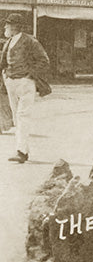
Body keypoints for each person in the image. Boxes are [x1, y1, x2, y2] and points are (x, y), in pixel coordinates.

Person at [2, 13, 51, 163]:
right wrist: (5, 75)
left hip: (25, 82)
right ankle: (24, 149)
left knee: (23, 116)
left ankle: (21, 152)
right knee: (18, 117)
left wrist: (30, 75)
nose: (5, 27)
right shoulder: (9, 41)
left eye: (8, 24)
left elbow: (44, 60)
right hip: (11, 82)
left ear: (15, 26)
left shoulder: (30, 41)